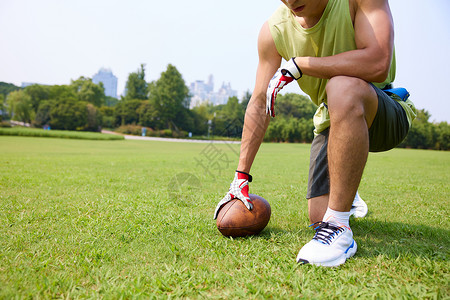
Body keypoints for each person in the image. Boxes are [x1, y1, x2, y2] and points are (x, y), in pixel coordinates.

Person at [214, 0, 416, 267]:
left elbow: (378, 61)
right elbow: (260, 101)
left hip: (383, 108)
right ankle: (347, 191)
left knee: (341, 86)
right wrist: (240, 178)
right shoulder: (274, 30)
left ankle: (340, 230)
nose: (292, 1)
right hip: (331, 117)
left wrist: (302, 64)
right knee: (318, 216)